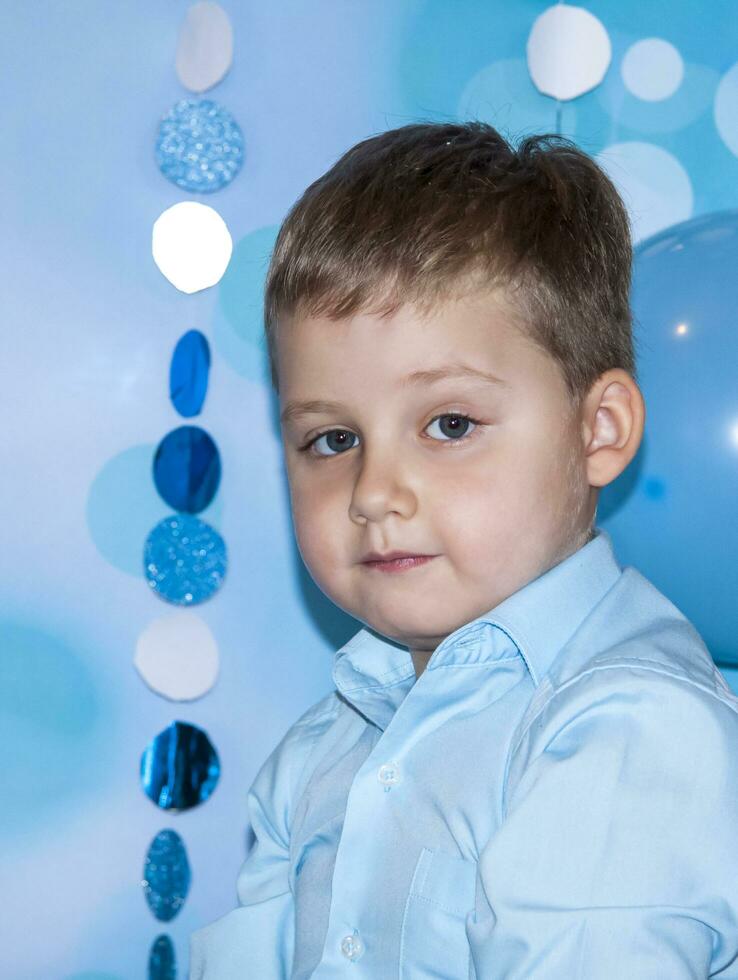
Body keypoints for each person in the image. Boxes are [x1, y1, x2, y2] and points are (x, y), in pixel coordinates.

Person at [189, 122, 738, 978]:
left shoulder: (628, 727)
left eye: (449, 425)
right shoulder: (325, 746)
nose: (373, 492)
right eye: (332, 439)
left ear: (598, 430)